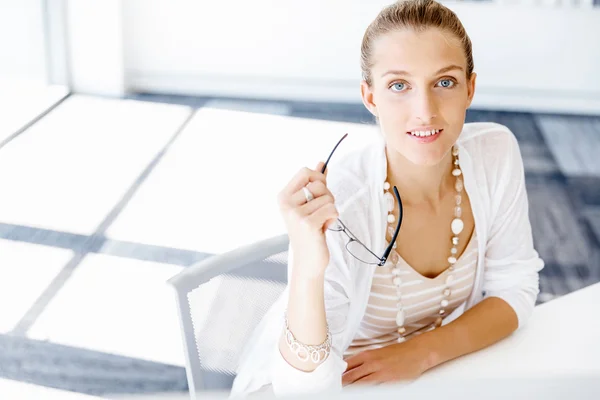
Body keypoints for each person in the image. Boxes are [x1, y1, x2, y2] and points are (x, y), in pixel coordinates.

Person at [229, 0, 544, 397]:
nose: (425, 111)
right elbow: (302, 389)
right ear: (370, 97)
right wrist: (308, 266)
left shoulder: (494, 153)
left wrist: (420, 353)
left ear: (470, 88)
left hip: (436, 375)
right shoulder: (346, 199)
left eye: (444, 82)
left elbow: (515, 288)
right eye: (399, 86)